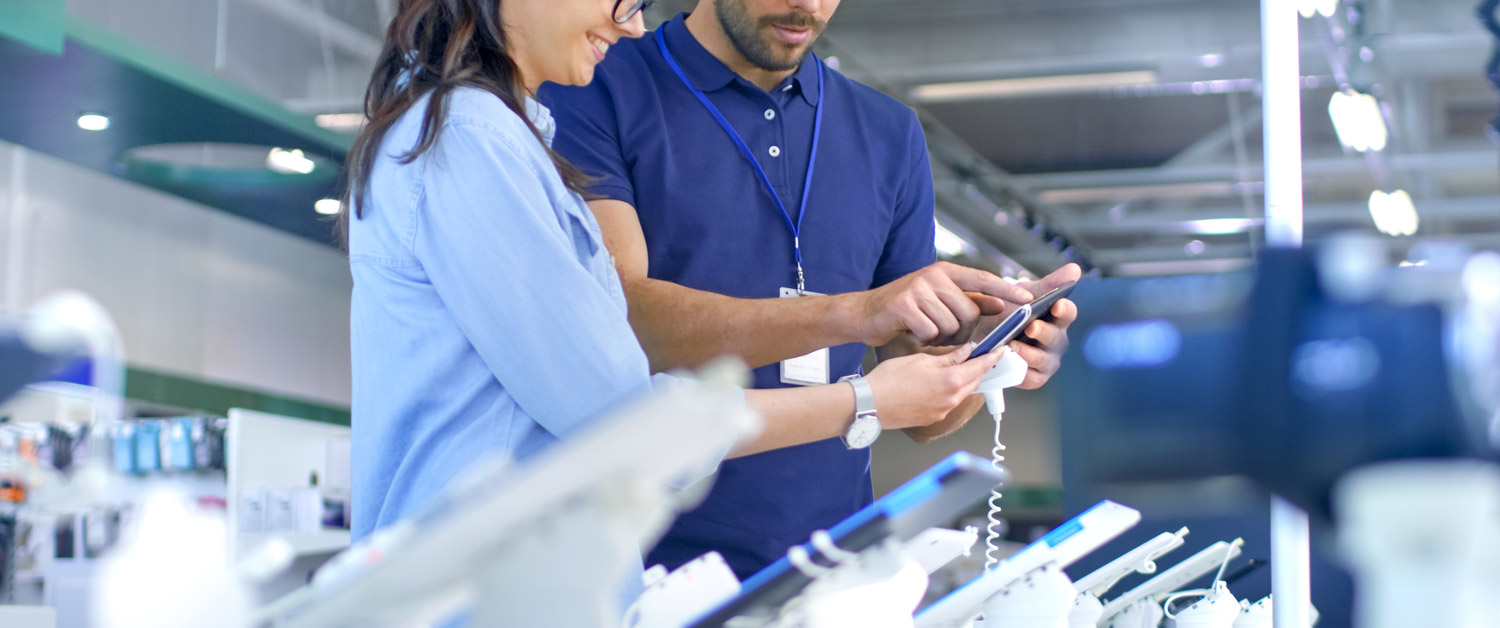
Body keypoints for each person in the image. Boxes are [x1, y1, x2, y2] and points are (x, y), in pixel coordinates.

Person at [342, 0, 1020, 553]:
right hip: (502, 581)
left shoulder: (498, 136)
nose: (631, 22)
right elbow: (622, 416)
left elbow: (612, 400)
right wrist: (863, 397)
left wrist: (979, 359)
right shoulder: (472, 141)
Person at [539, 0, 1082, 580]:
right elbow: (619, 319)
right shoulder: (593, 84)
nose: (809, 6)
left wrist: (984, 354)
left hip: (833, 568)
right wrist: (855, 313)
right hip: (645, 568)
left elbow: (920, 412)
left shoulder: (887, 132)